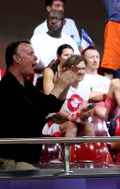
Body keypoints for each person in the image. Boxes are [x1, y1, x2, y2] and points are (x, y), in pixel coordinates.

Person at [0, 41, 77, 169]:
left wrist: (66, 85)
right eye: (30, 54)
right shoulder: (6, 87)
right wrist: (58, 86)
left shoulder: (27, 85)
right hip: (11, 159)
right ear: (16, 58)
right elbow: (39, 111)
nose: (35, 57)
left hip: (29, 159)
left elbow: (51, 106)